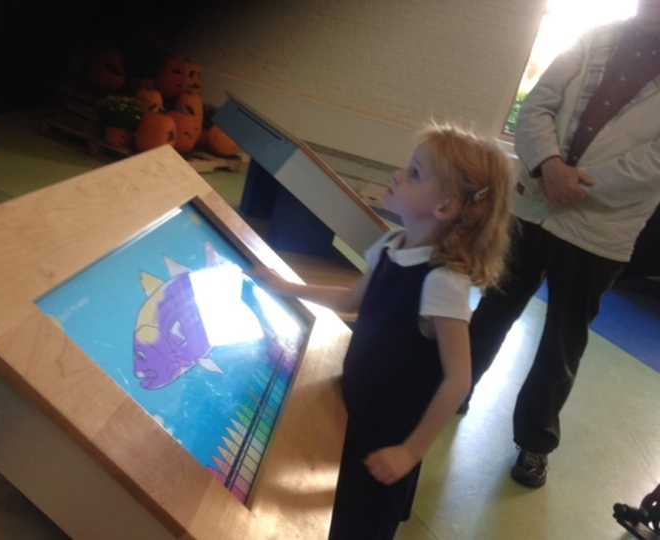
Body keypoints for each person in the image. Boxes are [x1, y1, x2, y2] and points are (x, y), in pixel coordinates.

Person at [253, 124, 512, 539]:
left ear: (444, 206)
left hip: (389, 433)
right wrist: (288, 285)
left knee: (364, 524)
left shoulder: (443, 281)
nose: (397, 174)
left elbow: (458, 378)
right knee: (335, 513)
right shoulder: (393, 243)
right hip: (355, 408)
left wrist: (410, 451)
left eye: (414, 173)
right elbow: (352, 300)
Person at [467, 0, 660, 489]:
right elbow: (539, 104)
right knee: (492, 309)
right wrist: (549, 165)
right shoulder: (598, 36)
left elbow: (654, 163)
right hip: (534, 205)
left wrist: (579, 183)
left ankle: (534, 443)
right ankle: (450, 393)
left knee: (561, 344)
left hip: (599, 232)